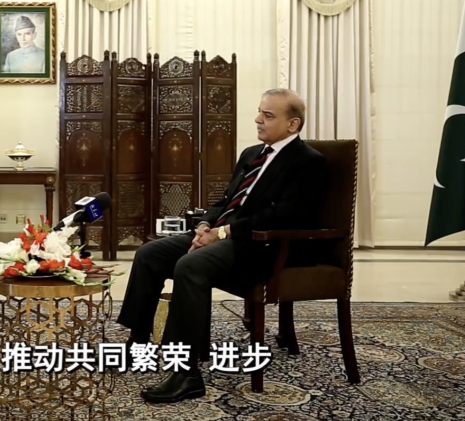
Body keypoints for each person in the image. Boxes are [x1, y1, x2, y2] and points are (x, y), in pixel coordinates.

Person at [116, 88, 330, 404]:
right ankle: (137, 342)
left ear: (293, 124)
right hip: (227, 235)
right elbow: (227, 201)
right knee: (150, 254)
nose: (257, 119)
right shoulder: (251, 154)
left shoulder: (308, 162)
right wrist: (205, 225)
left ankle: (186, 373)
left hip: (265, 246)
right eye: (259, 111)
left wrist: (223, 232)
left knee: (190, 265)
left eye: (268, 115)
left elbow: (287, 215)